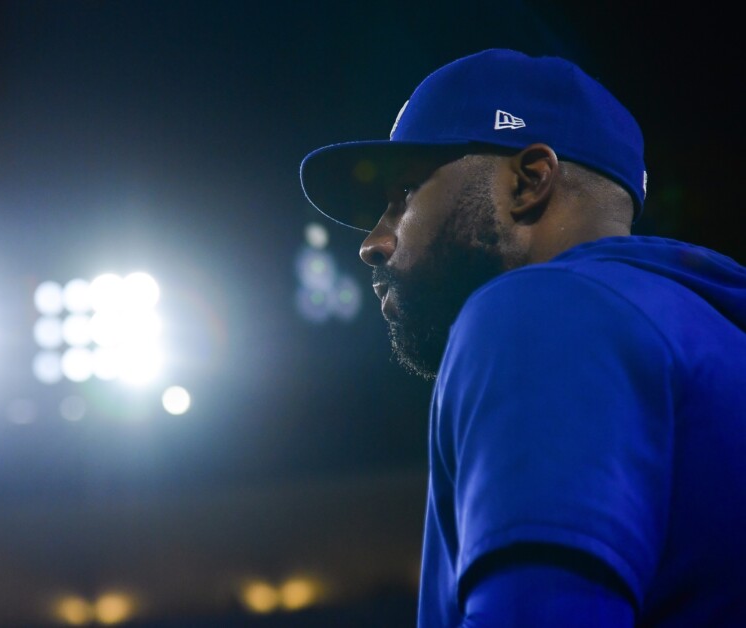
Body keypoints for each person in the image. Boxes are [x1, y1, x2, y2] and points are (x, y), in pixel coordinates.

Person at [299, 48, 746, 627]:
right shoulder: (708, 329)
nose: (373, 242)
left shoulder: (543, 310)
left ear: (530, 181)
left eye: (405, 194)